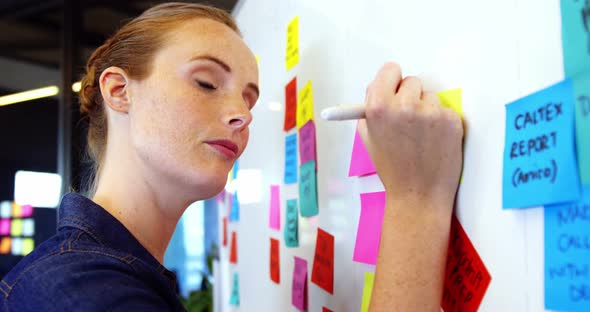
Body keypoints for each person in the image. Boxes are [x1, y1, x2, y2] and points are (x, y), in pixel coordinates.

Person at [0, 2, 463, 312]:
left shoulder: (107, 272)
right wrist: (416, 200)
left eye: (249, 99)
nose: (241, 115)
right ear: (119, 91)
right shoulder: (81, 290)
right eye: (205, 83)